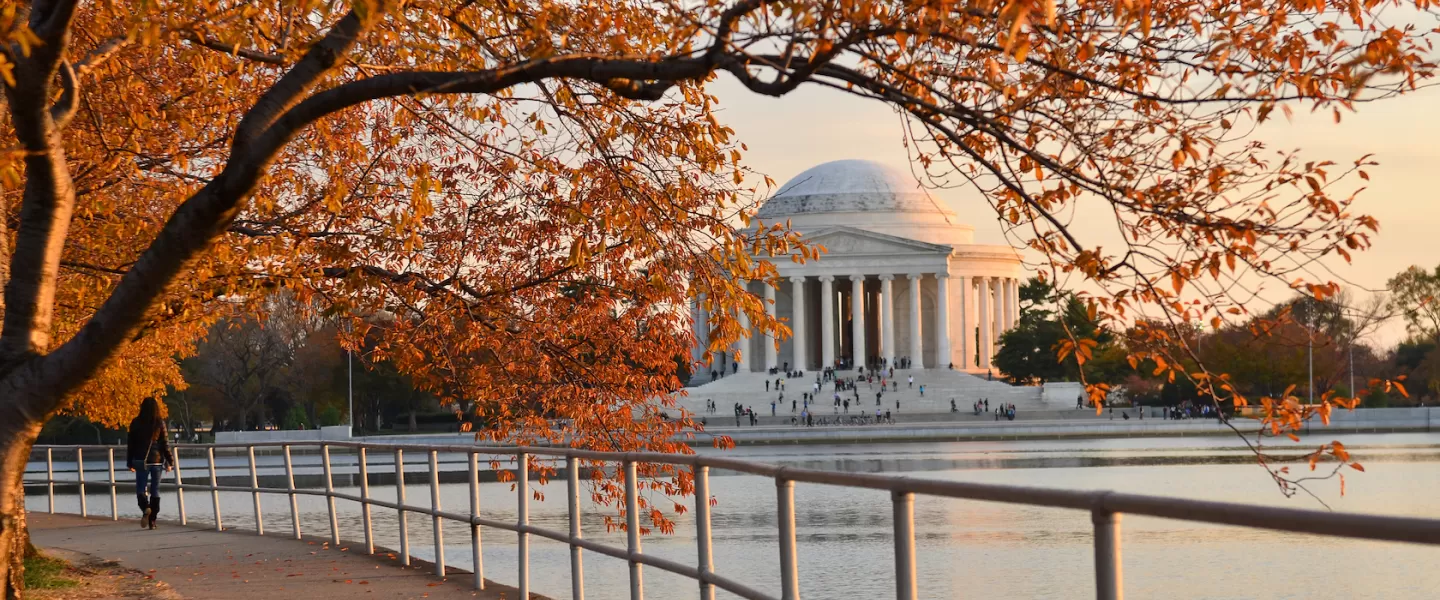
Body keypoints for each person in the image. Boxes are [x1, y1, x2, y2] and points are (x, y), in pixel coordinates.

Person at [127, 398, 175, 530]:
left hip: (140, 460)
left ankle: (146, 508)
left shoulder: (135, 423)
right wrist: (170, 461)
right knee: (155, 490)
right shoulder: (159, 423)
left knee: (141, 489)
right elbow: (164, 443)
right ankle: (152, 521)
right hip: (156, 461)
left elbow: (131, 444)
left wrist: (129, 462)